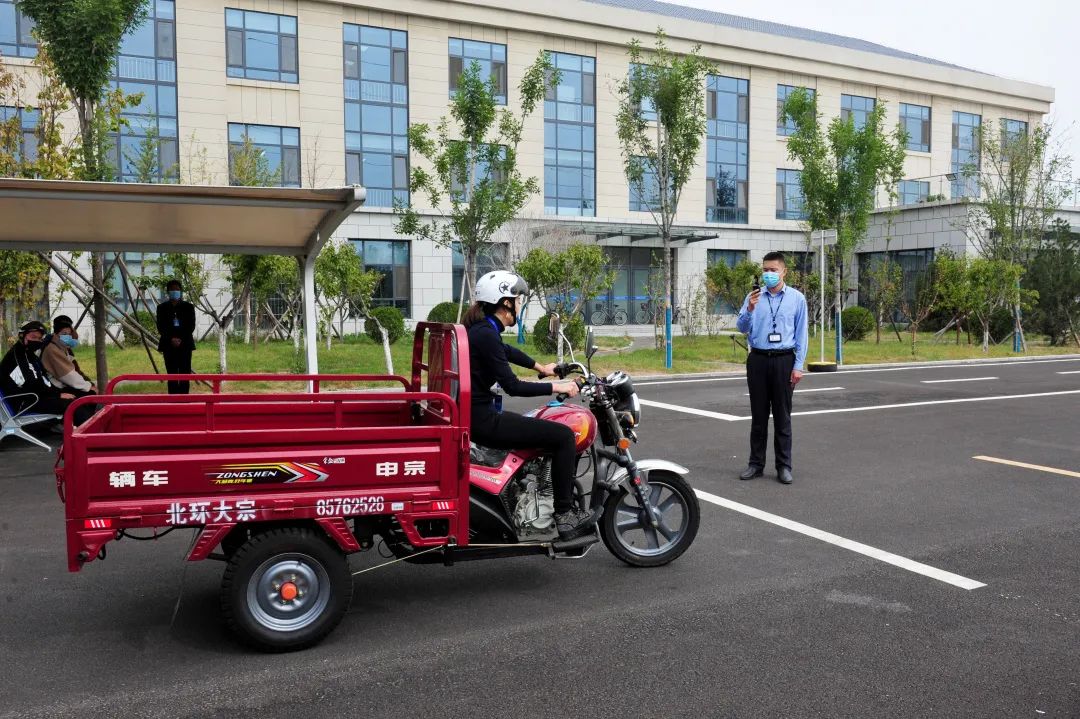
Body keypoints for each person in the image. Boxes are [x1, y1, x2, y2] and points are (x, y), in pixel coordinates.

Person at [464, 270, 597, 540]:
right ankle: (565, 515)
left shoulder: (482, 330)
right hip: (483, 421)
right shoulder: (486, 334)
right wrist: (559, 386)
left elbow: (506, 351)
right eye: (517, 299)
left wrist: (542, 368)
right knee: (562, 436)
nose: (519, 305)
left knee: (539, 426)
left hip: (476, 415)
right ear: (505, 303)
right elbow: (513, 386)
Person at [735, 251, 808, 485]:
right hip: (758, 359)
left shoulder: (797, 299)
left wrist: (798, 366)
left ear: (784, 271)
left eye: (773, 270)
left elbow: (801, 334)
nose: (768, 274)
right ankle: (755, 464)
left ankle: (784, 466)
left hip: (784, 360)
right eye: (765, 270)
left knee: (782, 416)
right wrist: (750, 310)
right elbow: (742, 328)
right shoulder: (754, 296)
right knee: (758, 416)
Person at [0, 320, 95, 426]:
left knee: (79, 396)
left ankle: (85, 429)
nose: (37, 341)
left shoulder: (29, 354)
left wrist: (58, 393)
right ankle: (89, 435)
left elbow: (43, 380)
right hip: (25, 402)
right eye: (33, 337)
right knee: (72, 404)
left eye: (39, 338)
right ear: (22, 336)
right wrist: (57, 394)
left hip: (36, 396)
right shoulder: (16, 358)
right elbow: (31, 384)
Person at [156, 279, 196, 394]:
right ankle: (173, 400)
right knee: (172, 373)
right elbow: (161, 326)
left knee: (185, 373)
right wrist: (171, 339)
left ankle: (184, 400)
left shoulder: (188, 307)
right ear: (168, 291)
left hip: (185, 344)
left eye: (177, 289)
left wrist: (180, 339)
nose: (175, 291)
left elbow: (191, 326)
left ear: (181, 291)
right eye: (172, 289)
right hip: (168, 345)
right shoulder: (162, 308)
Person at [41, 315, 96, 396]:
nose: (68, 336)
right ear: (56, 334)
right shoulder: (51, 349)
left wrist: (89, 383)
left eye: (69, 334)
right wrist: (88, 386)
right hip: (53, 388)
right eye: (64, 333)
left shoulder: (63, 347)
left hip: (62, 384)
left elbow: (76, 370)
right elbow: (68, 375)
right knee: (90, 395)